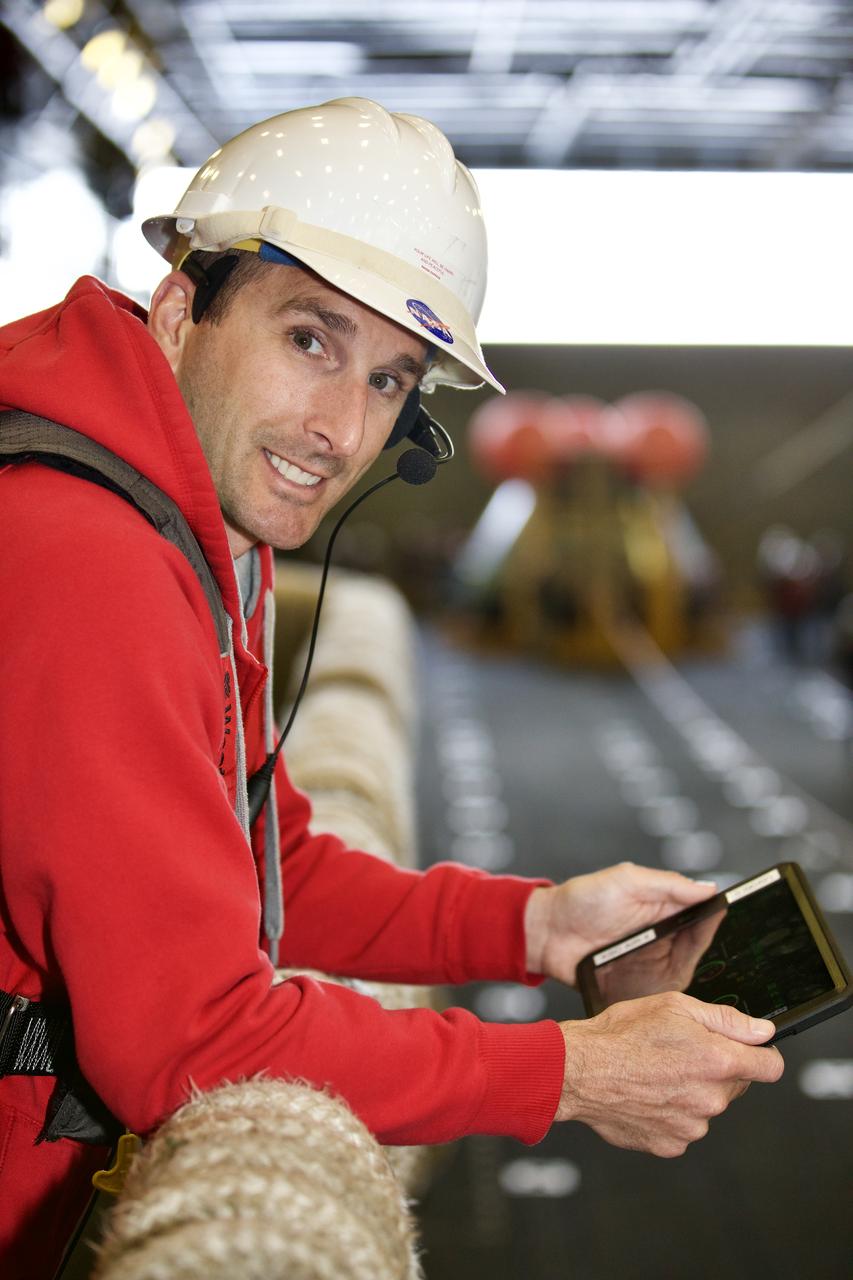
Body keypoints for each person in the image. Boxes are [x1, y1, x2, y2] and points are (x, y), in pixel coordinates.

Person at [0, 97, 782, 1275]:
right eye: (308, 339)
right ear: (179, 309)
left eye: (386, 379)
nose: (336, 428)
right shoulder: (83, 550)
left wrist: (532, 925)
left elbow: (270, 859)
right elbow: (189, 1034)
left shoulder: (182, 508)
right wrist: (571, 1076)